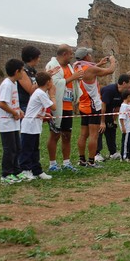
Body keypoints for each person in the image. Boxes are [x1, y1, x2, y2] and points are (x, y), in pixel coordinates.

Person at [74, 47, 116, 167]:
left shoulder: (77, 67)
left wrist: (99, 64)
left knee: (83, 134)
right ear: (86, 56)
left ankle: (81, 159)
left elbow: (89, 71)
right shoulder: (91, 69)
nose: (91, 56)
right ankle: (91, 161)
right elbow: (110, 71)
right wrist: (112, 61)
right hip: (93, 105)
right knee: (94, 135)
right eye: (89, 54)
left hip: (83, 104)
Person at [45, 44, 83, 172]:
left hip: (67, 105)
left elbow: (71, 82)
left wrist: (76, 78)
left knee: (67, 134)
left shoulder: (70, 67)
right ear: (65, 54)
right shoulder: (52, 66)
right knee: (55, 134)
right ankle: (52, 163)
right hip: (56, 105)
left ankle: (66, 162)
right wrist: (74, 77)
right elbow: (54, 84)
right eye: (71, 54)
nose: (72, 56)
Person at [0, 59, 30, 184]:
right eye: (22, 71)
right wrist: (14, 112)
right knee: (9, 149)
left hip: (14, 123)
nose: (23, 74)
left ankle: (16, 171)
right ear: (17, 71)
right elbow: (1, 103)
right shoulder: (6, 84)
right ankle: (6, 174)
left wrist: (19, 111)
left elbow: (13, 102)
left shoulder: (13, 83)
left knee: (17, 147)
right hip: (6, 123)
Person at [19, 72, 56, 180]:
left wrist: (44, 113)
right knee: (27, 149)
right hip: (29, 126)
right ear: (48, 83)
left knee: (35, 149)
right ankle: (25, 170)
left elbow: (35, 108)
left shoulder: (39, 93)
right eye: (52, 81)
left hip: (34, 126)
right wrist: (52, 94)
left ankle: (36, 170)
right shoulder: (40, 93)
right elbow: (54, 107)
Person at [97, 73, 130, 161]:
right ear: (124, 83)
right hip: (99, 111)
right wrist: (102, 122)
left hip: (109, 113)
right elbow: (103, 105)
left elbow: (117, 108)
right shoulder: (110, 90)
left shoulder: (122, 93)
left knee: (111, 128)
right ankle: (96, 153)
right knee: (100, 130)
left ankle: (113, 152)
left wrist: (113, 120)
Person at [17, 45, 40, 113]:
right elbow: (30, 90)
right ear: (31, 58)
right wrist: (42, 80)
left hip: (30, 105)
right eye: (38, 57)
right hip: (24, 106)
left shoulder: (32, 71)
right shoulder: (22, 72)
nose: (39, 59)